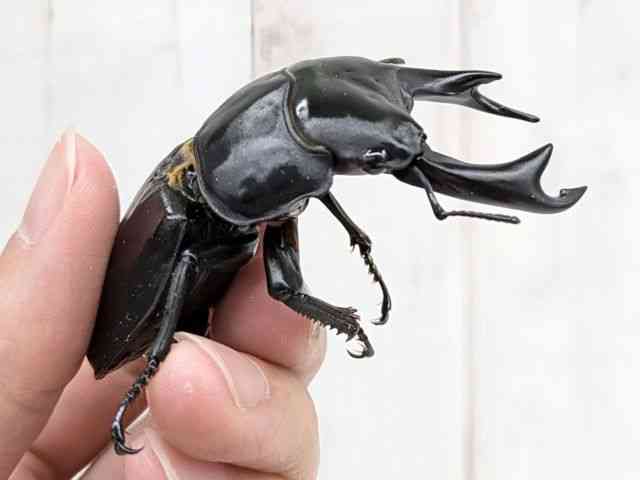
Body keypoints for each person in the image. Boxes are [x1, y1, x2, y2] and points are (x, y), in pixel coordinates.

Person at [1, 131, 325, 479]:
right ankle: (156, 360)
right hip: (139, 311)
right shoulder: (201, 190)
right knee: (195, 276)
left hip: (163, 305)